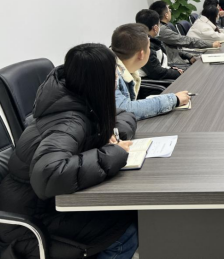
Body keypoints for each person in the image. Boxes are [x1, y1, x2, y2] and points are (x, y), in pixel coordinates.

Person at [0, 44, 138, 258]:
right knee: (126, 230)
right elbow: (49, 174)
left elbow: (123, 115)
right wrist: (115, 153)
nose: (116, 80)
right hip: (31, 222)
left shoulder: (77, 96)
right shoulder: (69, 121)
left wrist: (111, 131)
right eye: (113, 75)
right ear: (99, 81)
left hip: (41, 205)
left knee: (130, 212)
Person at [111, 24, 190, 120]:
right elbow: (125, 110)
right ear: (141, 54)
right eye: (149, 48)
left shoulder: (116, 65)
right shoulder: (111, 74)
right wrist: (174, 99)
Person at [149, 1, 220, 64]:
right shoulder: (162, 30)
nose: (171, 12)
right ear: (166, 15)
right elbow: (185, 40)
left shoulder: (162, 27)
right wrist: (211, 44)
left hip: (178, 60)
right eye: (169, 10)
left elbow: (173, 48)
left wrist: (189, 56)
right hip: (174, 65)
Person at [136, 9, 193, 80]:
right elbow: (157, 72)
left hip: (165, 74)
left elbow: (161, 64)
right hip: (157, 83)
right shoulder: (146, 46)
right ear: (155, 28)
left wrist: (173, 69)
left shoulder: (152, 41)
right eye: (159, 24)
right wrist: (177, 73)